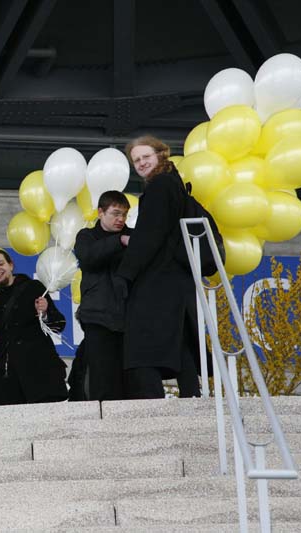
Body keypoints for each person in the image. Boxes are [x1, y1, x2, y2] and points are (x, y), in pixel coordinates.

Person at [116, 135, 201, 399]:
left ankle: (153, 402)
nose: (141, 163)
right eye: (136, 160)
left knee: (141, 346)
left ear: (161, 155)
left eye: (146, 157)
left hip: (158, 279)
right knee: (179, 339)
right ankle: (192, 396)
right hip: (178, 279)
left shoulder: (160, 186)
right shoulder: (175, 184)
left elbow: (150, 235)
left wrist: (126, 274)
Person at [0, 249, 69, 406]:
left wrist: (44, 313)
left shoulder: (34, 287)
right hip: (6, 375)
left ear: (11, 265)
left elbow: (58, 325)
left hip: (40, 370)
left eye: (0, 263)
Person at [74, 190, 132, 401]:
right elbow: (89, 258)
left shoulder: (133, 236)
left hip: (130, 317)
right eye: (115, 213)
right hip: (97, 317)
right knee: (102, 377)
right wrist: (119, 242)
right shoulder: (86, 236)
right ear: (100, 212)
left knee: (131, 378)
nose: (121, 219)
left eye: (124, 214)